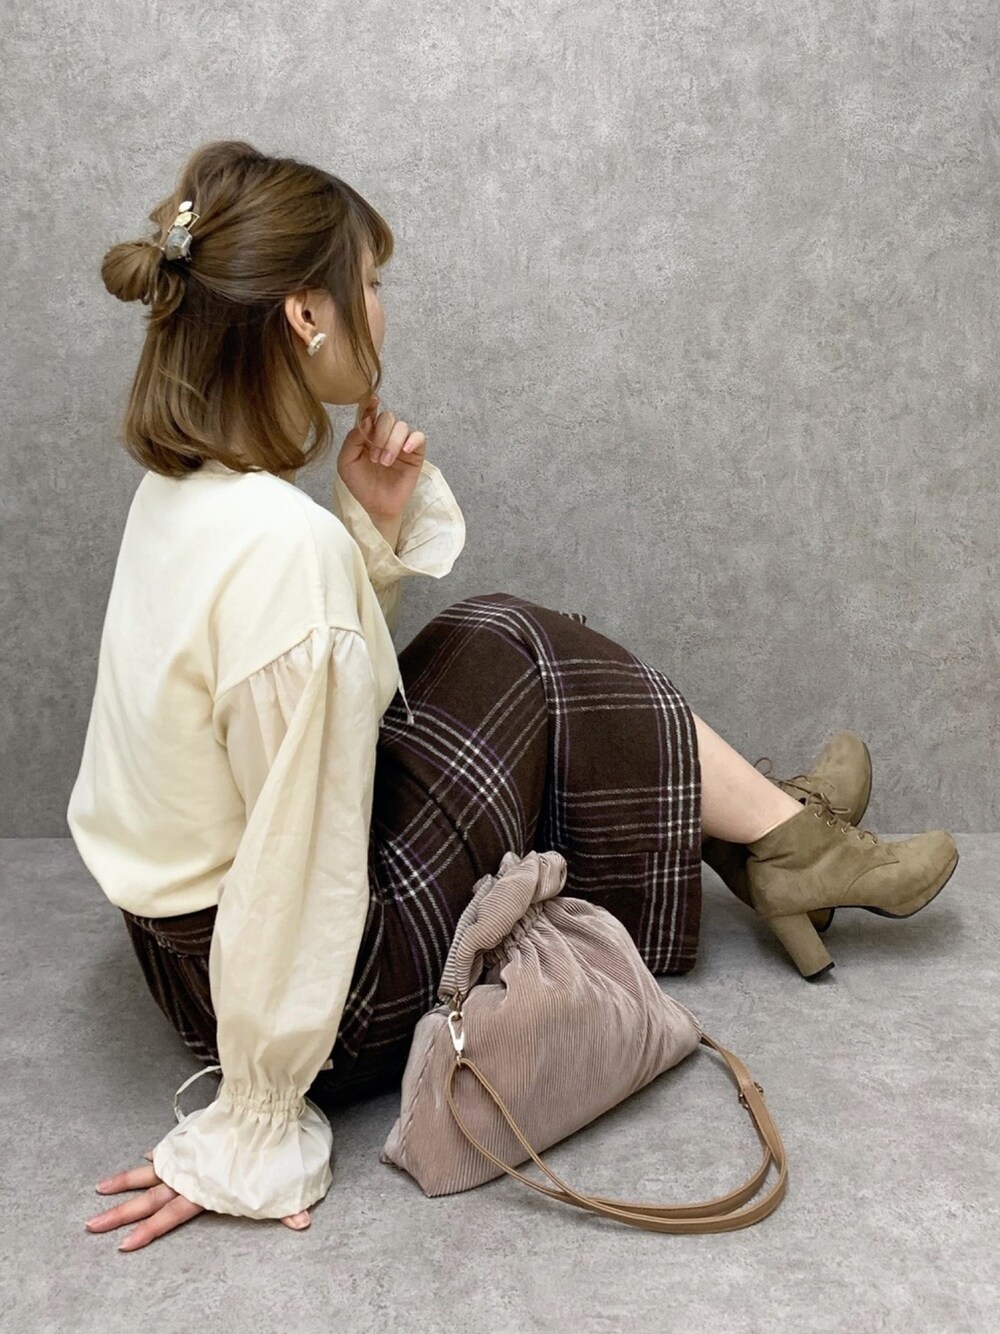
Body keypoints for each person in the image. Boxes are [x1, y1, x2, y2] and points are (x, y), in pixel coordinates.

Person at [70, 139, 959, 1252]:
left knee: (494, 630)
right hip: (311, 997)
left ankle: (778, 835)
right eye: (370, 282)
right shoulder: (280, 548)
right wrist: (253, 1119)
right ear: (306, 315)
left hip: (185, 960)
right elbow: (297, 857)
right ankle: (783, 842)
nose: (382, 307)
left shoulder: (188, 495)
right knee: (527, 647)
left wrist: (369, 529)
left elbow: (304, 723)